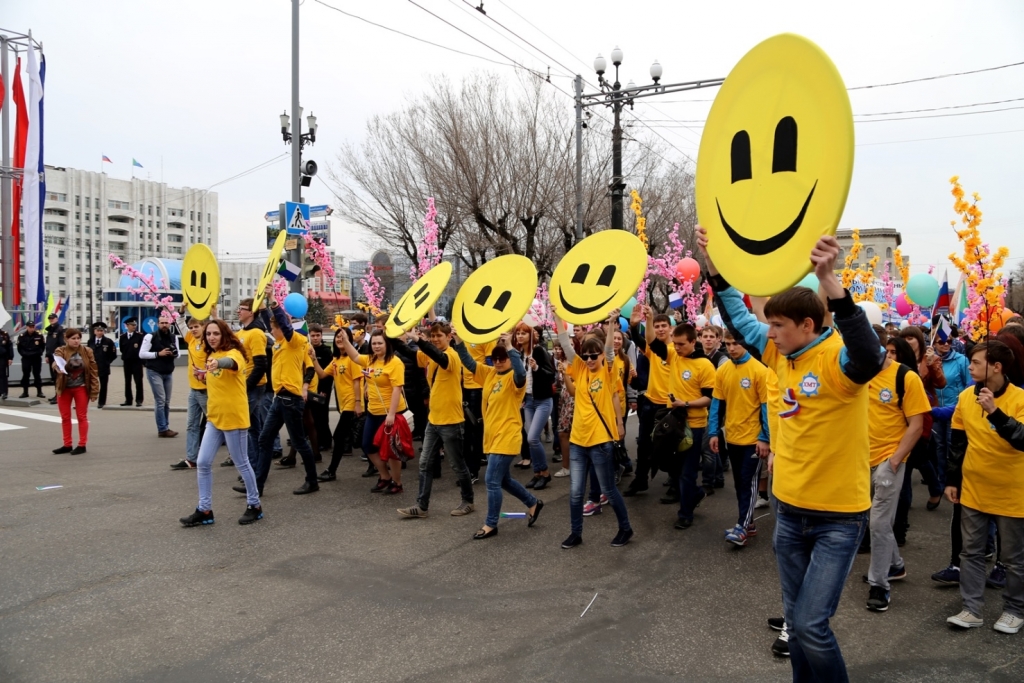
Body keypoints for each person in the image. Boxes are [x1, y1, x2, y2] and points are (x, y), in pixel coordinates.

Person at [702, 225, 884, 682]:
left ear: (808, 325)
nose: (770, 332)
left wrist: (830, 283)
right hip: (789, 510)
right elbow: (739, 322)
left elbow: (870, 356)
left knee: (809, 624)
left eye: (778, 325)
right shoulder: (779, 353)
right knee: (797, 625)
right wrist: (715, 269)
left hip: (838, 517)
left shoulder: (838, 358)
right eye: (771, 325)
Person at [945, 340, 1024, 634]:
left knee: (1014, 559)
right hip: (974, 489)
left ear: (997, 367)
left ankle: (1014, 610)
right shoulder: (966, 397)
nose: (970, 367)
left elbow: (1021, 438)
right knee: (971, 552)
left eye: (976, 362)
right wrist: (952, 480)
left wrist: (995, 412)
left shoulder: (1019, 399)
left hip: (1013, 492)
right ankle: (971, 609)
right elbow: (958, 443)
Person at [555, 308, 633, 549]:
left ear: (601, 356)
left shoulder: (609, 371)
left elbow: (610, 350)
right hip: (578, 441)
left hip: (601, 441)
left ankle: (625, 529)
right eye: (586, 355)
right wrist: (557, 317)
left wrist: (610, 324)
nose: (589, 359)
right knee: (576, 492)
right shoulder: (578, 368)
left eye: (593, 355)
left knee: (608, 490)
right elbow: (566, 345)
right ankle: (575, 533)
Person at [862, 337, 931, 613]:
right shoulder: (858, 374)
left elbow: (916, 425)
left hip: (889, 460)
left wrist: (894, 460)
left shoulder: (906, 377)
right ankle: (896, 565)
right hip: (858, 461)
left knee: (878, 523)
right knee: (875, 521)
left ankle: (879, 585)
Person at [453, 331, 542, 539]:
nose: (499, 362)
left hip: (507, 435)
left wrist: (510, 347)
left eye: (503, 359)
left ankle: (491, 524)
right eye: (496, 359)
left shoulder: (515, 378)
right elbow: (469, 362)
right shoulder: (490, 373)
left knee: (492, 481)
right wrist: (458, 340)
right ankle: (533, 503)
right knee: (503, 480)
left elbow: (521, 372)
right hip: (492, 436)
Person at [179, 318, 264, 527]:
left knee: (241, 462)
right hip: (215, 418)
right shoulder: (211, 355)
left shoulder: (234, 353)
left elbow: (231, 364)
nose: (211, 337)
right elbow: (217, 379)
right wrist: (203, 375)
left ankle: (255, 505)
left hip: (234, 417)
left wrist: (217, 364)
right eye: (208, 334)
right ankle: (204, 510)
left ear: (224, 334)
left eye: (216, 333)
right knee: (203, 462)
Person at [394, 320, 474, 518]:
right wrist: (392, 335)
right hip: (434, 419)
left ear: (449, 338)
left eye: (440, 336)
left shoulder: (452, 356)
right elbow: (410, 353)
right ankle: (422, 507)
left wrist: (418, 340)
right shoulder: (429, 356)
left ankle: (468, 501)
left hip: (452, 420)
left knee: (457, 465)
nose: (436, 339)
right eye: (433, 336)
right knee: (424, 464)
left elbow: (439, 357)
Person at [648, 317, 716, 530]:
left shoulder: (705, 365)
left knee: (687, 472)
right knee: (672, 467)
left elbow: (709, 398)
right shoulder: (673, 356)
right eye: (674, 344)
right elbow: (652, 343)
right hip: (673, 423)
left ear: (693, 341)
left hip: (693, 426)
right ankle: (696, 493)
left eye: (681, 344)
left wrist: (685, 403)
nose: (676, 348)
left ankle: (685, 514)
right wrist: (649, 319)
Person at [254, 287, 320, 496]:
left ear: (283, 328)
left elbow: (283, 324)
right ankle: (258, 485)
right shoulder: (279, 344)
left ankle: (312, 481)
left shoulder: (296, 341)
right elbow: (269, 322)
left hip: (291, 400)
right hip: (278, 399)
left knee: (299, 442)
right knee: (265, 440)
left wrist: (274, 301)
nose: (272, 331)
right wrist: (264, 305)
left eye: (275, 328)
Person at [708, 329, 770, 547]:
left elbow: (767, 408)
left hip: (753, 441)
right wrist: (714, 432)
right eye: (728, 344)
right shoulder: (723, 370)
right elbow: (717, 403)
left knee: (749, 482)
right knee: (739, 484)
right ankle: (749, 523)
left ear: (746, 343)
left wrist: (765, 437)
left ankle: (742, 526)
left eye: (736, 343)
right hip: (732, 437)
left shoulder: (760, 371)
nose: (732, 348)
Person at [336, 326, 407, 494]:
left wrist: (391, 414)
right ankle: (385, 476)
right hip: (373, 411)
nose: (376, 346)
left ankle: (397, 482)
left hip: (391, 412)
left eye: (380, 343)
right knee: (367, 445)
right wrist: (345, 340)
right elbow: (354, 356)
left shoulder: (395, 363)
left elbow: (397, 389)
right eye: (374, 343)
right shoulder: (371, 360)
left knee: (391, 451)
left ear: (387, 344)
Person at [312, 327, 362, 481]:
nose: (339, 340)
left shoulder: (353, 359)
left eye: (343, 337)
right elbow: (321, 374)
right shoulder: (336, 360)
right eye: (337, 337)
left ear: (349, 340)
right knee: (362, 439)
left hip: (352, 404)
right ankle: (376, 466)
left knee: (339, 436)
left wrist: (358, 403)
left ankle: (331, 471)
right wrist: (313, 358)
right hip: (344, 404)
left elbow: (357, 382)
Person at [515, 321, 556, 490]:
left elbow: (551, 374)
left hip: (543, 400)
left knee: (532, 437)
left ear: (530, 335)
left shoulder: (538, 351)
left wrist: (537, 367)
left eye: (523, 333)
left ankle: (545, 473)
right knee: (531, 439)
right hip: (529, 400)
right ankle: (537, 473)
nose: (520, 336)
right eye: (518, 333)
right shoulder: (519, 355)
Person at [51, 328, 99, 455]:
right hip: (64, 388)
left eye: (78, 338)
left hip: (81, 388)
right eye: (73, 338)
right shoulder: (60, 350)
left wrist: (94, 391)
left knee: (81, 416)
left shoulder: (87, 351)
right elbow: (55, 363)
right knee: (65, 417)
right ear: (66, 339)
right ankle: (67, 444)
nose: (76, 341)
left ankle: (82, 444)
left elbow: (93, 371)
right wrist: (57, 368)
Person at [170, 315, 209, 470]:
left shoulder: (208, 342)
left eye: (196, 327)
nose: (193, 330)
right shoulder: (191, 340)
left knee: (216, 425)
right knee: (191, 425)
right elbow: (180, 325)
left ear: (204, 327)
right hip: (193, 390)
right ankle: (191, 458)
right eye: (191, 327)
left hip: (206, 390)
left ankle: (234, 455)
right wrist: (181, 312)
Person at [234, 298, 269, 470]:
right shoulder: (242, 333)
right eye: (238, 308)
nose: (238, 311)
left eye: (242, 309)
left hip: (252, 386)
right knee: (254, 428)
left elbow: (261, 364)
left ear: (251, 312)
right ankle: (256, 466)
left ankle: (252, 467)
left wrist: (246, 386)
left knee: (243, 427)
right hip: (244, 385)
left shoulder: (256, 333)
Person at [139, 313, 180, 437]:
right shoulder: (150, 336)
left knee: (167, 401)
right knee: (160, 400)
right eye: (162, 323)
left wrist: (173, 354)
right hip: (154, 371)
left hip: (168, 372)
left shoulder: (174, 337)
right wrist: (158, 354)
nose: (164, 325)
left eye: (166, 323)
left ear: (170, 324)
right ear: (157, 324)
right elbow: (142, 354)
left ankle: (166, 426)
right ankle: (162, 429)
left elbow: (178, 355)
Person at [308, 324, 335, 453]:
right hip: (310, 387)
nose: (315, 338)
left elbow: (328, 374)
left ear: (321, 336)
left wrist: (324, 390)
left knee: (322, 416)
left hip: (323, 388)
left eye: (318, 335)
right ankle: (316, 440)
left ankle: (326, 441)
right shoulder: (307, 349)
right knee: (313, 416)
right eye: (313, 335)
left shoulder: (326, 351)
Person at [87, 322, 117, 409]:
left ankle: (101, 402)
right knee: (89, 384)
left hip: (104, 367)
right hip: (92, 367)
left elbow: (113, 355)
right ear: (94, 331)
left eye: (101, 330)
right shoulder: (90, 341)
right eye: (98, 330)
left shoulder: (108, 342)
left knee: (103, 386)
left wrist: (107, 362)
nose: (100, 332)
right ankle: (86, 401)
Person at [119, 317, 145, 406]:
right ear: (127, 326)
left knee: (138, 381)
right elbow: (122, 349)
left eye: (135, 325)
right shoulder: (122, 337)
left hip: (137, 362)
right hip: (127, 362)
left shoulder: (139, 336)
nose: (134, 326)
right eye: (132, 325)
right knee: (127, 381)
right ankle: (128, 400)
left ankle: (139, 400)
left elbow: (142, 349)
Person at [17, 320, 45, 399]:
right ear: (27, 327)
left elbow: (42, 347)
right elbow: (19, 348)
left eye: (33, 327)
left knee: (37, 374)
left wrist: (38, 353)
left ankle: (39, 392)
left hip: (36, 358)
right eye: (30, 327)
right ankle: (25, 392)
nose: (32, 329)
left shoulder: (39, 335)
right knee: (26, 375)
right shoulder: (22, 336)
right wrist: (25, 354)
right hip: (26, 358)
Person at [44, 313, 65, 404]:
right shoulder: (50, 330)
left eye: (53, 318)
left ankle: (59, 396)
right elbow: (48, 344)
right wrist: (47, 355)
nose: (51, 319)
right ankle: (56, 395)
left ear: (56, 319)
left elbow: (61, 344)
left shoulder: (59, 330)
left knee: (58, 377)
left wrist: (59, 356)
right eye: (50, 318)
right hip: (51, 357)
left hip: (57, 357)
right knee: (54, 377)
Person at [0, 328, 12, 400]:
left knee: (3, 375)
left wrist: (10, 357)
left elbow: (9, 346)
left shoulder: (4, 334)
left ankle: (4, 392)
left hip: (2, 358)